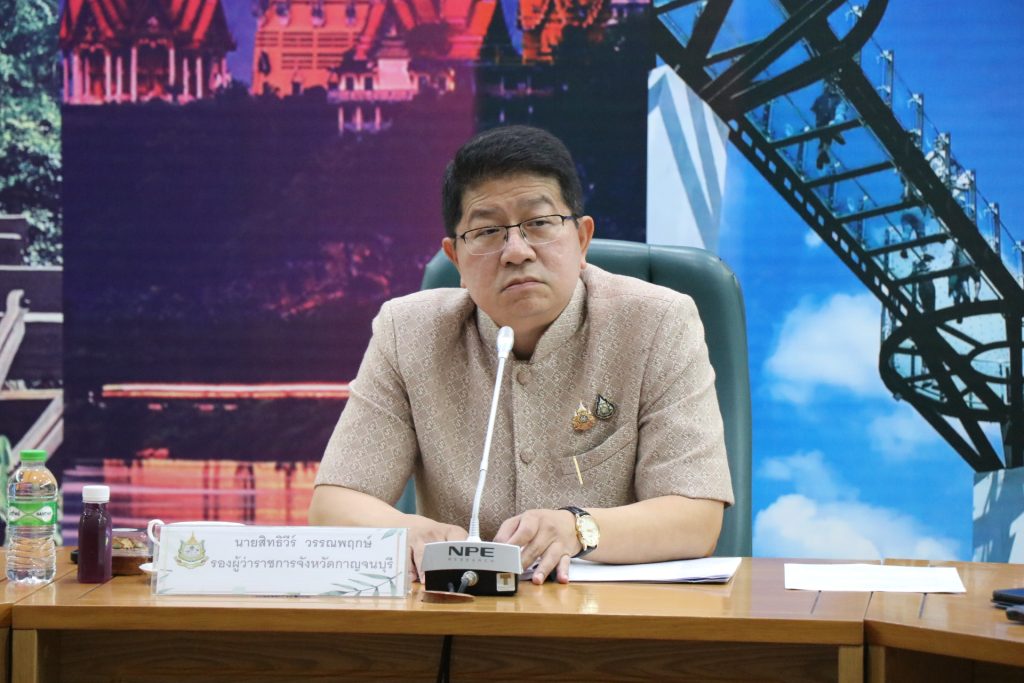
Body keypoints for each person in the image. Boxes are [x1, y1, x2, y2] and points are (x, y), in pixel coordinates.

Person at [310, 126, 733, 585]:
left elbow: (696, 518)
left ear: (582, 239)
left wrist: (577, 529)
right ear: (456, 258)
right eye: (487, 231)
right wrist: (406, 531)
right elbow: (334, 506)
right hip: (462, 614)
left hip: (613, 616)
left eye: (539, 223)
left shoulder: (657, 323)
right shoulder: (407, 333)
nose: (516, 251)